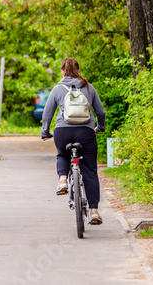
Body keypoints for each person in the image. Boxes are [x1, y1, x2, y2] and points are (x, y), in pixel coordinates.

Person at [41, 58, 106, 224]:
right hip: (86, 132)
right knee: (90, 171)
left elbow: (47, 114)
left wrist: (45, 132)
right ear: (78, 70)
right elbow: (101, 112)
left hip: (63, 131)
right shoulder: (89, 88)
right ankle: (94, 212)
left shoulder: (57, 89)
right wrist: (100, 127)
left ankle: (62, 180)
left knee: (62, 154)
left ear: (62, 71)